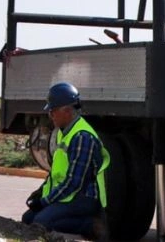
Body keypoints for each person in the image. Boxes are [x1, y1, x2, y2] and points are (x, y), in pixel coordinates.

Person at [21, 82, 110, 241]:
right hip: (69, 196)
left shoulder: (82, 137)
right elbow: (56, 173)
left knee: (40, 222)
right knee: (27, 219)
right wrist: (40, 192)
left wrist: (44, 202)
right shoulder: (64, 133)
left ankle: (89, 224)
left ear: (68, 111)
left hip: (84, 198)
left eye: (53, 110)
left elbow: (73, 183)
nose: (50, 115)